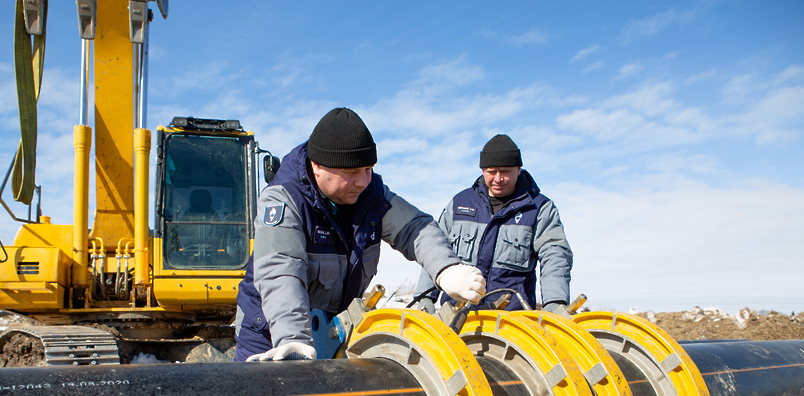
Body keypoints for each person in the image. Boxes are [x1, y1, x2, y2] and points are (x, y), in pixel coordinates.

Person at [234, 107, 486, 361]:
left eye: (368, 169)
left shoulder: (371, 196)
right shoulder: (284, 199)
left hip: (334, 333)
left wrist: (446, 268)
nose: (363, 181)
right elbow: (281, 270)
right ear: (318, 166)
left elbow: (413, 227)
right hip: (272, 336)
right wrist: (292, 338)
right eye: (352, 173)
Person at [415, 134, 573, 315]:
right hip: (454, 315)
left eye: (505, 171)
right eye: (491, 171)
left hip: (511, 321)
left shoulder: (539, 208)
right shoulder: (459, 204)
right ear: (482, 170)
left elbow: (555, 253)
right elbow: (436, 251)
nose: (498, 179)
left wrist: (555, 301)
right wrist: (424, 297)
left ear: (518, 170)